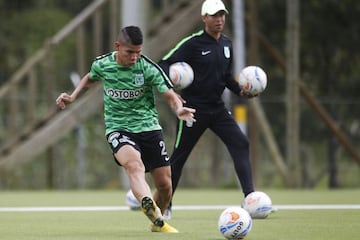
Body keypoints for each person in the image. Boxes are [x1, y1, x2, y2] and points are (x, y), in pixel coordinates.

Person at [56, 26, 195, 233]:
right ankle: (147, 201)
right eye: (130, 52)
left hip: (148, 128)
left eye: (138, 52)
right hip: (118, 128)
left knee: (166, 185)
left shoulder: (148, 68)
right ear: (117, 46)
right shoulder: (103, 64)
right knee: (134, 166)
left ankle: (157, 221)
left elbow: (170, 95)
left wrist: (178, 108)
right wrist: (73, 95)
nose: (134, 57)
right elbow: (90, 77)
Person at [158, 0, 255, 218]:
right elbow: (164, 63)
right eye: (214, 15)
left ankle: (251, 199)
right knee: (179, 158)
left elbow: (226, 77)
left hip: (218, 109)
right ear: (204, 18)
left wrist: (241, 91)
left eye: (222, 15)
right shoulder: (193, 43)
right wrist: (172, 90)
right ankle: (166, 205)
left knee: (241, 142)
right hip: (193, 110)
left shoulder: (227, 45)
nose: (219, 19)